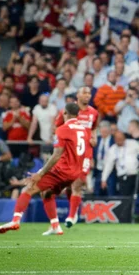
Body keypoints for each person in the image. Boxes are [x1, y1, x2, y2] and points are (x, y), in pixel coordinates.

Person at [0, 103, 91, 235]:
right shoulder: (84, 130)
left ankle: (15, 220)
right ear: (78, 114)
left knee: (28, 188)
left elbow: (56, 154)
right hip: (75, 172)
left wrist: (41, 174)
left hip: (62, 170)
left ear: (65, 113)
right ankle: (55, 226)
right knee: (47, 193)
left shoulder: (62, 129)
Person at [53, 86, 99, 228]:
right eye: (84, 92)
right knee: (68, 186)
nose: (87, 95)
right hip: (69, 154)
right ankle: (74, 210)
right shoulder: (67, 111)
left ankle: (71, 216)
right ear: (77, 95)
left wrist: (94, 139)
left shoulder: (94, 113)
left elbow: (94, 129)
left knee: (77, 184)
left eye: (89, 93)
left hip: (85, 154)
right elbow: (57, 127)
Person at [101, 131, 139, 196]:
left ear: (124, 138)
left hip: (137, 174)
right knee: (125, 198)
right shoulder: (112, 150)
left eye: (121, 139)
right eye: (118, 140)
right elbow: (108, 166)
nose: (120, 141)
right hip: (123, 177)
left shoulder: (133, 143)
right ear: (115, 140)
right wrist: (104, 179)